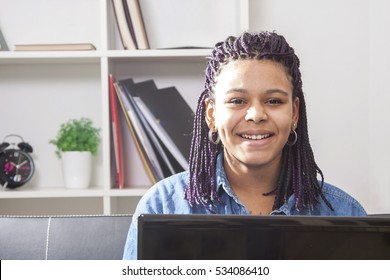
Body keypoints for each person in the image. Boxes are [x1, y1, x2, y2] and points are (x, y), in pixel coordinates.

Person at [122, 31, 366, 259]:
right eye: (237, 100)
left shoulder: (343, 212)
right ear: (212, 114)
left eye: (273, 101)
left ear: (294, 113)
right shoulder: (162, 206)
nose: (256, 114)